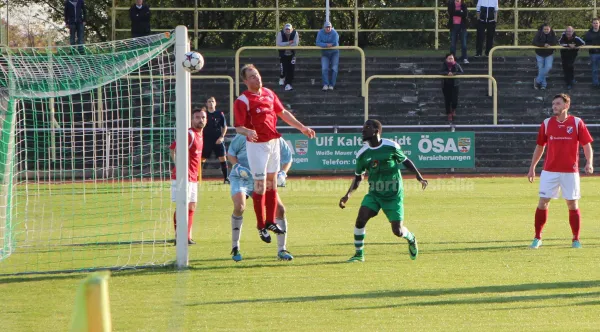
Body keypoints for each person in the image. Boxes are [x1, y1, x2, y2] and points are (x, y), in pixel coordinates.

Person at [234, 64, 315, 243]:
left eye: (257, 74)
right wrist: (247, 131)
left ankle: (270, 221)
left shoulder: (269, 93)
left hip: (273, 143)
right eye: (252, 76)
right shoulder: (243, 100)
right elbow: (238, 126)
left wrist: (302, 127)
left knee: (272, 183)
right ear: (245, 81)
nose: (257, 78)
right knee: (260, 185)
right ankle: (260, 225)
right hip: (257, 145)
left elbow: (283, 112)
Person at [339, 120, 428, 262]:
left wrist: (419, 176)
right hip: (374, 193)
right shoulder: (362, 154)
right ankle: (358, 255)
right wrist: (347, 195)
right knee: (361, 218)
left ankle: (411, 238)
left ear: (376, 131)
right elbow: (359, 176)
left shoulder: (391, 146)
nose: (363, 131)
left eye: (366, 128)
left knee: (397, 231)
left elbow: (405, 160)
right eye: (363, 128)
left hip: (393, 195)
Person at [527, 93, 594, 249]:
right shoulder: (546, 123)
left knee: (572, 204)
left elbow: (586, 145)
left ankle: (576, 239)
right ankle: (537, 237)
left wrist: (589, 162)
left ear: (566, 106)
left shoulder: (577, 123)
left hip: (570, 172)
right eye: (553, 104)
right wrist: (532, 168)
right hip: (549, 171)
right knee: (543, 203)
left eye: (557, 104)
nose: (554, 107)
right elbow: (539, 147)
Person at [228, 134, 293, 261]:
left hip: (263, 180)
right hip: (242, 177)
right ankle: (235, 247)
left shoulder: (276, 138)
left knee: (280, 210)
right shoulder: (244, 135)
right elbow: (231, 153)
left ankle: (282, 250)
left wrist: (283, 173)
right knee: (240, 206)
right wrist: (237, 166)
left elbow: (288, 158)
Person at [169, 107, 207, 245]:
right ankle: (180, 236)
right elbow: (173, 149)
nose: (200, 120)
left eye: (203, 117)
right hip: (182, 177)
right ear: (191, 119)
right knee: (182, 206)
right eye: (197, 117)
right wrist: (179, 166)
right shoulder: (189, 134)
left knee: (192, 206)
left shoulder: (200, 134)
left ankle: (187, 236)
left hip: (192, 176)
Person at [202, 97, 229, 184]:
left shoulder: (219, 113)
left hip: (217, 139)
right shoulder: (204, 114)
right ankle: (196, 178)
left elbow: (224, 126)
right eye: (209, 101)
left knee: (222, 158)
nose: (211, 103)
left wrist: (221, 137)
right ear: (206, 103)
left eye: (212, 101)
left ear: (215, 103)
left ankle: (226, 178)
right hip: (206, 139)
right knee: (202, 159)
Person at [532, 23, 558, 90]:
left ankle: (537, 80)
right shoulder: (539, 33)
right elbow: (534, 42)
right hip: (539, 53)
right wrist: (543, 45)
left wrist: (549, 45)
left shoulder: (553, 33)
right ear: (542, 29)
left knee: (548, 67)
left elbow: (555, 42)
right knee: (541, 69)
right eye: (545, 29)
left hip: (549, 54)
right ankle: (543, 85)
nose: (546, 30)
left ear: (550, 29)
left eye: (547, 29)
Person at [316, 21, 340, 91]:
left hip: (334, 53)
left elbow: (335, 43)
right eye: (326, 27)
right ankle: (325, 84)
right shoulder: (320, 32)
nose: (328, 28)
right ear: (324, 27)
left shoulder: (335, 33)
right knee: (324, 68)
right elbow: (317, 43)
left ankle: (332, 85)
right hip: (325, 54)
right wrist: (326, 45)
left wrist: (323, 44)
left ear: (331, 27)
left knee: (334, 69)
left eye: (329, 27)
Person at [440, 53, 464, 122]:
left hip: (455, 84)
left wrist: (454, 74)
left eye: (452, 58)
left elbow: (461, 72)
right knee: (447, 99)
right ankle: (449, 113)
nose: (451, 60)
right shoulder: (444, 64)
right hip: (446, 84)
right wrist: (447, 73)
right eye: (449, 58)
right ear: (446, 59)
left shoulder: (456, 64)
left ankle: (453, 109)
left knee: (454, 99)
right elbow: (440, 71)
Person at [276, 23, 299, 91]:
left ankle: (288, 84)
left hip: (292, 54)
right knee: (283, 68)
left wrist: (285, 45)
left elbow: (295, 44)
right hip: (283, 54)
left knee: (291, 69)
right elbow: (278, 43)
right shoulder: (280, 33)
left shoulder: (295, 33)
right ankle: (282, 77)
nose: (287, 31)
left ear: (291, 29)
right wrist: (288, 43)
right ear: (284, 29)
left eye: (289, 29)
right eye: (286, 29)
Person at [584, 18, 600, 88]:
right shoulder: (588, 33)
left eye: (597, 23)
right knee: (594, 69)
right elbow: (586, 42)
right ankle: (595, 83)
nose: (595, 24)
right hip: (593, 53)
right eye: (594, 23)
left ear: (599, 23)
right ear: (592, 24)